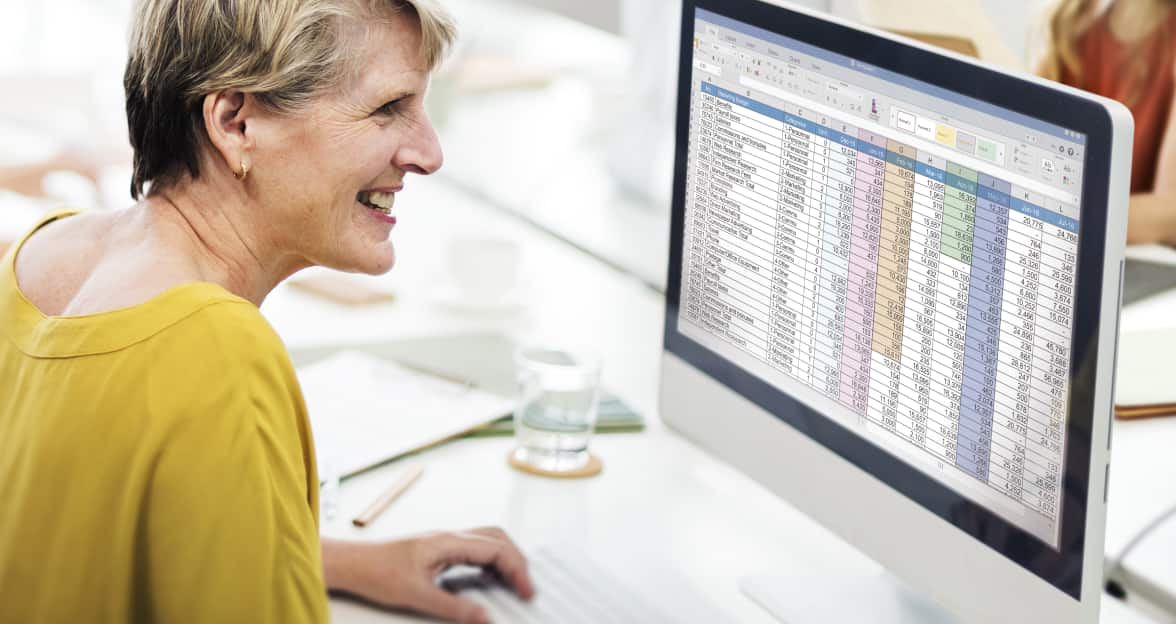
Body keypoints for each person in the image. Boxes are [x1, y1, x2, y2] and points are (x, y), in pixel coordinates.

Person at [0, 1, 532, 623]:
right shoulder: (215, 352)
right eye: (388, 108)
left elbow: (74, 541)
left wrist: (326, 559)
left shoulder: (36, 257)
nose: (429, 152)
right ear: (235, 123)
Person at [1040, 0, 1176, 245]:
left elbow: (1170, 212)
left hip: (1114, 251)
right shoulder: (1074, 20)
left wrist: (1059, 217)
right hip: (1063, 242)